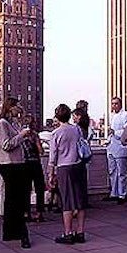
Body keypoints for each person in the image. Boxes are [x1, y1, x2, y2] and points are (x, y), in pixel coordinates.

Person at [48, 104, 88, 244]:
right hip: (78, 165)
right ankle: (81, 231)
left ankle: (68, 233)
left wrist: (51, 174)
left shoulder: (56, 133)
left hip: (64, 167)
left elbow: (53, 156)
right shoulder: (76, 130)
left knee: (67, 201)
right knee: (80, 200)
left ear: (57, 116)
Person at [0, 97, 32, 249]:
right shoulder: (2, 124)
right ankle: (20, 232)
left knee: (13, 200)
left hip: (17, 164)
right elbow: (6, 145)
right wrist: (21, 136)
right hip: (9, 165)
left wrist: (22, 127)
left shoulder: (13, 123)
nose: (19, 109)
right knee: (15, 200)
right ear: (10, 107)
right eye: (18, 106)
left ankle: (11, 231)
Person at [105, 97, 127, 204]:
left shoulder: (125, 115)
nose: (114, 105)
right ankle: (114, 192)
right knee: (112, 171)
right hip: (111, 146)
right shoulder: (111, 115)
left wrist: (115, 132)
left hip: (121, 146)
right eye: (112, 104)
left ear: (120, 104)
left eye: (116, 103)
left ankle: (122, 194)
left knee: (122, 172)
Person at [22, 113, 46, 223]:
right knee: (39, 189)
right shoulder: (35, 135)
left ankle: (26, 213)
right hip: (35, 164)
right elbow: (41, 151)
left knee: (26, 189)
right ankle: (39, 213)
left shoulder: (20, 135)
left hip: (24, 165)